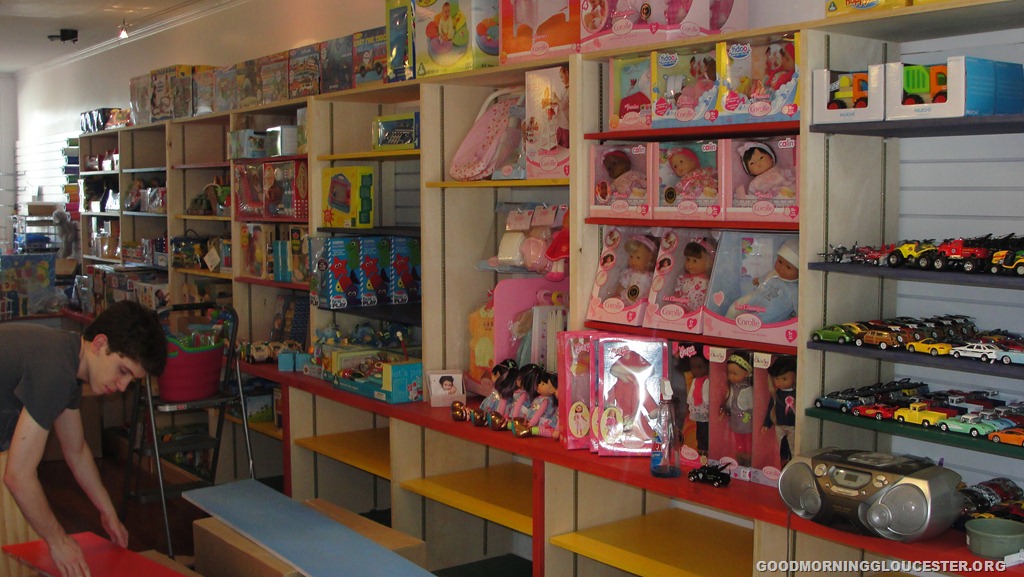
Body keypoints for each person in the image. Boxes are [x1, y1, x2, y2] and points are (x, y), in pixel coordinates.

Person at [1, 300, 167, 577]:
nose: (122, 386)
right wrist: (59, 541)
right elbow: (18, 476)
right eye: (123, 371)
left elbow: (76, 450)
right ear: (100, 344)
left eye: (131, 381)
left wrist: (107, 511)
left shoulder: (67, 360)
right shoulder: (56, 369)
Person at [726, 238, 799, 324]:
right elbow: (766, 277)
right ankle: (729, 321)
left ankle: (744, 321)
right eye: (780, 261)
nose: (782, 268)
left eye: (788, 267)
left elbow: (800, 306)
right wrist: (758, 280)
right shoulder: (774, 273)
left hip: (772, 314)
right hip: (758, 300)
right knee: (738, 305)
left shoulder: (794, 289)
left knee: (765, 315)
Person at [718, 353, 753, 467]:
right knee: (738, 440)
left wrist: (748, 416)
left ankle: (748, 458)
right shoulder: (732, 388)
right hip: (735, 421)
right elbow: (729, 402)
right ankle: (740, 457)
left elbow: (751, 406)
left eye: (735, 373)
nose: (731, 377)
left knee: (748, 441)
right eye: (729, 373)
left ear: (746, 373)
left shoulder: (748, 389)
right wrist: (724, 411)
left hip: (746, 421)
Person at [762, 355, 797, 466]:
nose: (780, 382)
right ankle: (783, 462)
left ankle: (793, 464)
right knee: (780, 446)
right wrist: (767, 423)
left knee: (793, 447)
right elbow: (771, 407)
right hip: (779, 424)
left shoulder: (796, 394)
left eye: (784, 379)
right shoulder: (776, 394)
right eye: (777, 379)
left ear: (795, 378)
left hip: (793, 425)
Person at [670, 238, 715, 314]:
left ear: (709, 263)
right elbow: (678, 293)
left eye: (694, 261)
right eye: (688, 259)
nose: (689, 264)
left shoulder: (708, 282)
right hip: (682, 308)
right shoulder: (683, 279)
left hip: (699, 311)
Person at [617, 235, 658, 306]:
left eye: (638, 258)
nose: (633, 261)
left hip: (642, 303)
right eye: (631, 256)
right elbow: (621, 287)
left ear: (650, 258)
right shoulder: (629, 273)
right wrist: (616, 296)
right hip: (626, 300)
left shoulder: (652, 276)